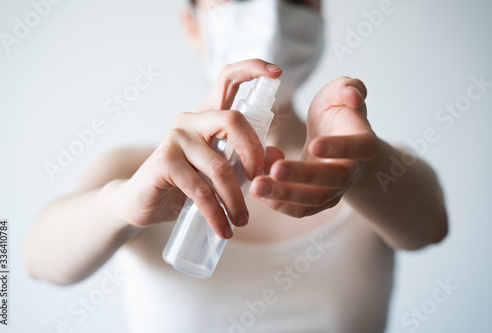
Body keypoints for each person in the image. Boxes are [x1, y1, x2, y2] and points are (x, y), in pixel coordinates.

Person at [24, 0, 448, 332]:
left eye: (297, 0)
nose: (271, 16)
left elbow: (431, 227)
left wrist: (361, 167)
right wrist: (123, 206)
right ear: (192, 27)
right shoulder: (137, 169)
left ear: (321, 20)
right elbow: (37, 261)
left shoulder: (373, 168)